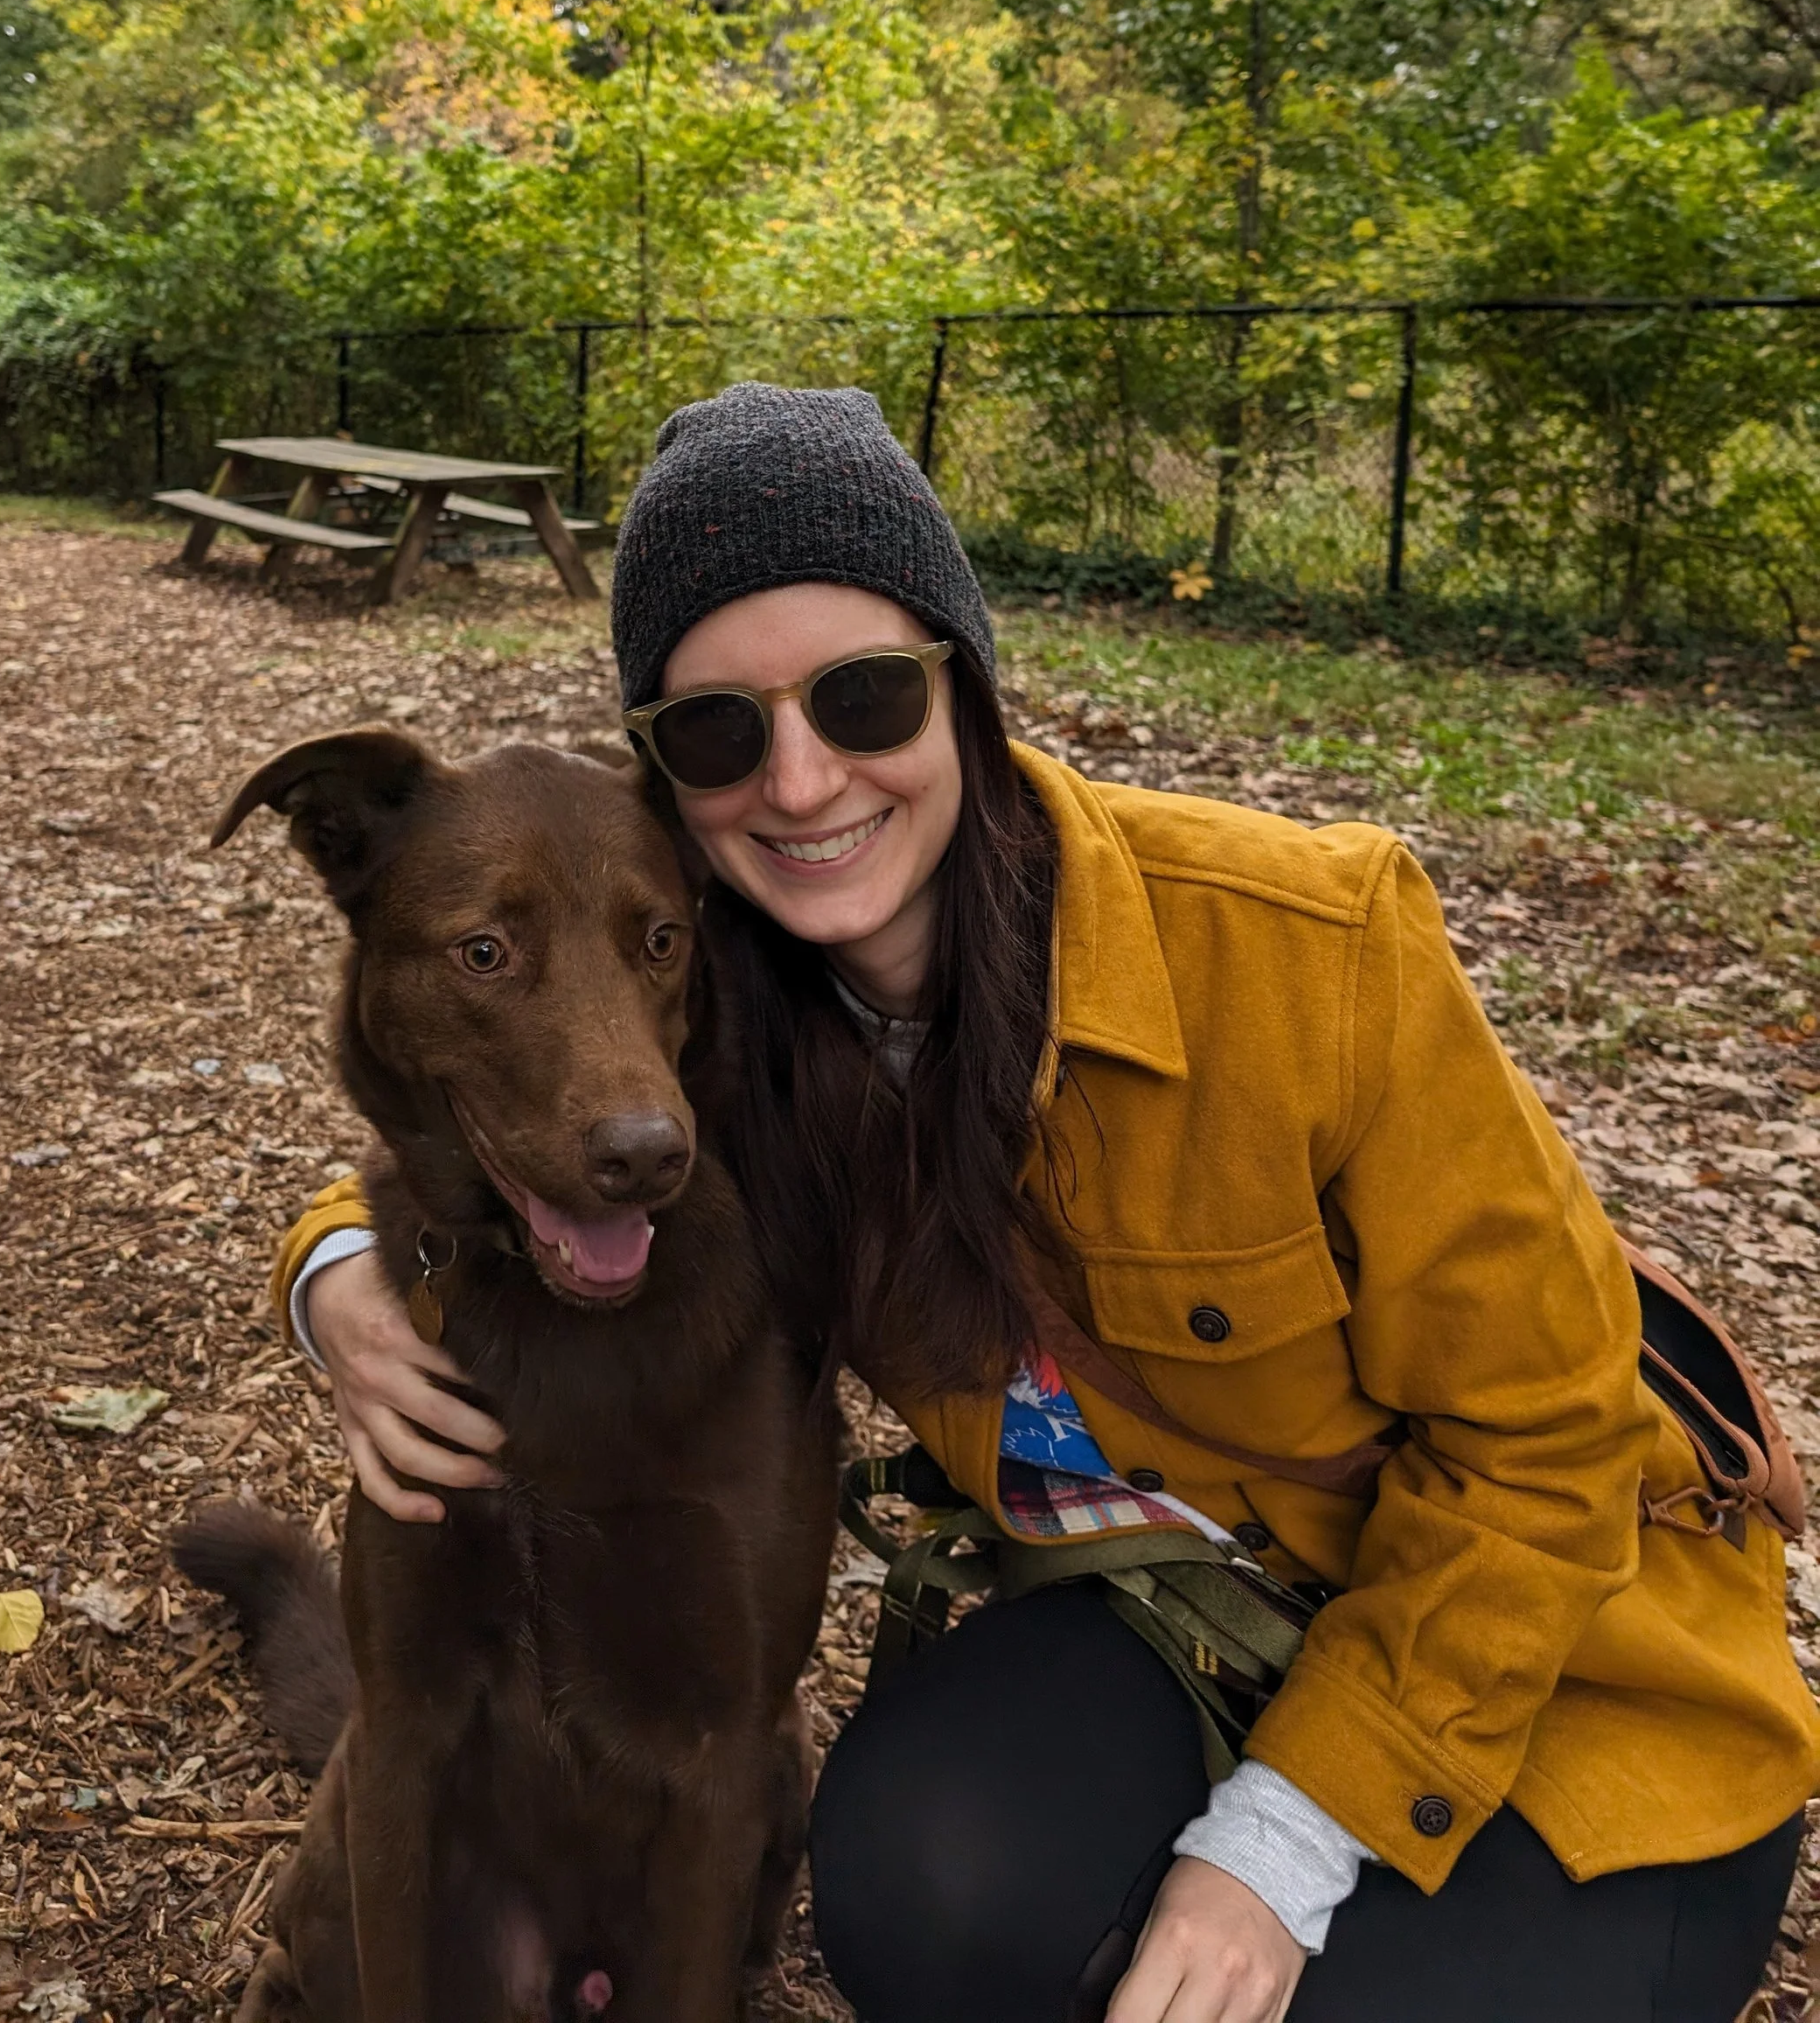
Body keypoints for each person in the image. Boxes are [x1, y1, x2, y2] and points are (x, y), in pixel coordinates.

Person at [272, 383, 1817, 2023]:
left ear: (965, 686)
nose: (800, 783)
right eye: (721, 730)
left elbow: (1551, 1444)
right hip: (1183, 1624)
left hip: (1555, 1677)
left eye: (863, 697)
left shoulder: (1313, 942)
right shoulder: (730, 1006)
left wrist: (1277, 1848)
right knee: (918, 1891)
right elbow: (502, 1086)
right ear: (665, 780)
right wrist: (340, 1272)